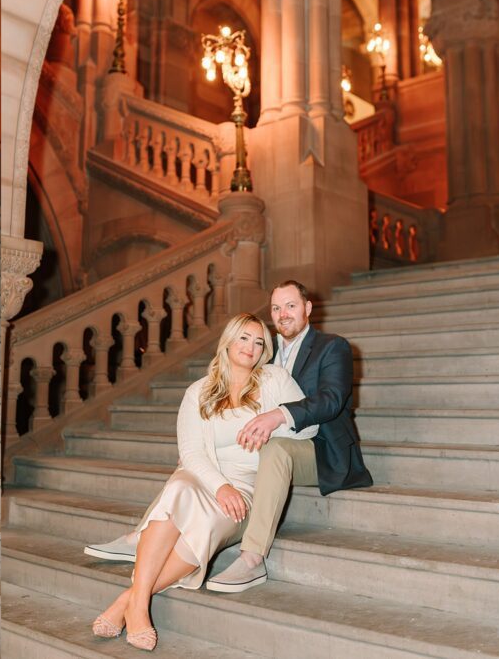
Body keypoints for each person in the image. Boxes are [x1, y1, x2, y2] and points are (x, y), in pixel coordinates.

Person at [90, 314, 316, 651]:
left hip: (250, 485)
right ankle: (138, 607)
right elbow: (192, 452)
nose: (251, 348)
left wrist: (273, 422)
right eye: (243, 338)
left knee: (207, 521)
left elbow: (310, 427)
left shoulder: (275, 378)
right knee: (178, 490)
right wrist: (220, 487)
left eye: (258, 342)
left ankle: (130, 599)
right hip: (203, 478)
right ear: (227, 342)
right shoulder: (198, 391)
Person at [204, 279, 373, 592]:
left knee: (276, 450)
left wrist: (279, 414)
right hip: (270, 447)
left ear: (307, 309)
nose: (282, 314)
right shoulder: (262, 355)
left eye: (291, 306)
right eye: (276, 308)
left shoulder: (333, 346)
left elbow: (332, 400)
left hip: (321, 449)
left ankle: (253, 558)